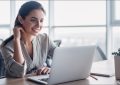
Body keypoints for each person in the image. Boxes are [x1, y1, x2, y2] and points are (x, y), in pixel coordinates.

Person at [0, 1, 56, 78]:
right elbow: (19, 73)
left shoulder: (45, 39)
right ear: (21, 19)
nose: (38, 25)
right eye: (33, 20)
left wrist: (50, 70)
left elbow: (63, 60)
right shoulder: (7, 46)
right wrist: (16, 40)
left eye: (41, 20)